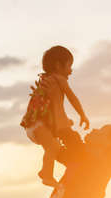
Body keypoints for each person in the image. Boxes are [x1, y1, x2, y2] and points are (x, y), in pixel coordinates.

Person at [21, 45, 90, 187]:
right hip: (40, 126)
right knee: (53, 147)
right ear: (58, 66)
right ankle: (46, 174)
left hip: (32, 126)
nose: (70, 70)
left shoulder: (45, 80)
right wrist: (82, 115)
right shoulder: (59, 79)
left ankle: (46, 172)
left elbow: (50, 106)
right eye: (69, 66)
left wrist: (65, 121)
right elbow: (72, 98)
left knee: (53, 147)